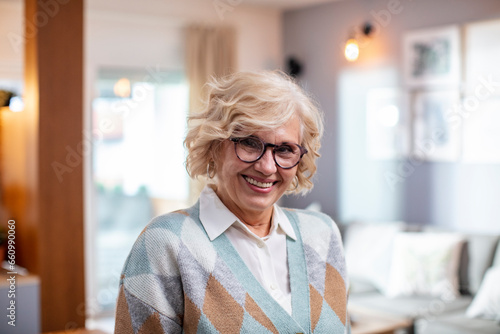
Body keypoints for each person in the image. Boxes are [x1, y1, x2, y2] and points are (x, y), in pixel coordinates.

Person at [114, 71, 350, 333]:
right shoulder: (164, 244)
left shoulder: (323, 235)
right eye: (250, 143)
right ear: (214, 146)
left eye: (284, 149)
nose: (267, 167)